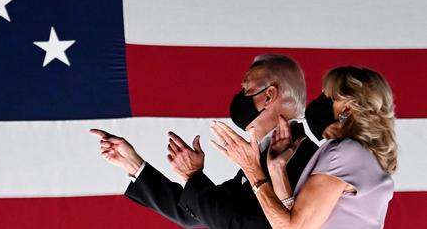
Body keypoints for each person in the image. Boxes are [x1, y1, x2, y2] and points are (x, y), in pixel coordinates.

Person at [90, 54, 318, 228]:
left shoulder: (305, 159)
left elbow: (238, 224)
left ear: (268, 96)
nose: (240, 96)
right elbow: (196, 212)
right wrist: (132, 164)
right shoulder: (263, 153)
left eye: (246, 89)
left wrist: (194, 176)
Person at [211, 66, 396, 229]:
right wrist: (277, 171)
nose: (318, 102)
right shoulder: (359, 156)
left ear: (347, 110)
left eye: (327, 96)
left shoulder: (345, 153)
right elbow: (294, 220)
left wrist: (252, 170)